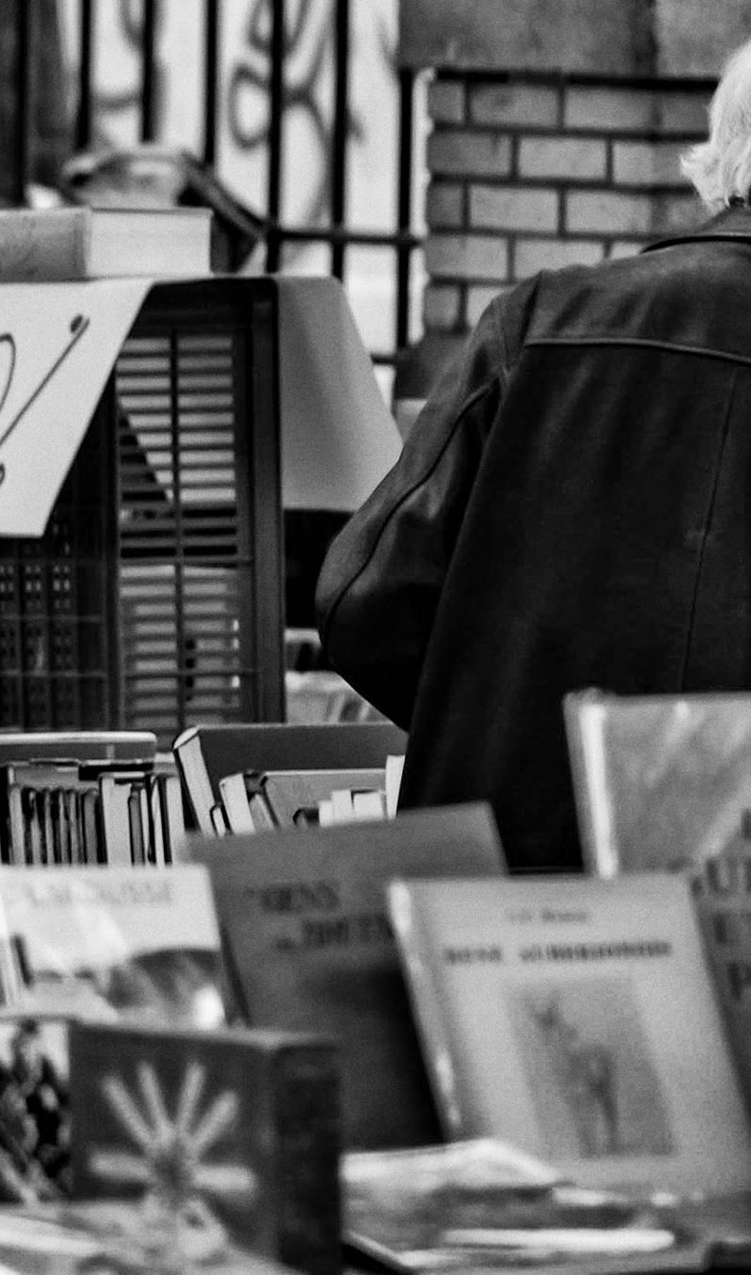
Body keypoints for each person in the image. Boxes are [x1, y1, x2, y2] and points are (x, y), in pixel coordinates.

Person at [315, 38, 751, 873]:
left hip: (503, 889)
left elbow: (361, 599)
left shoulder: (542, 321)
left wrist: (501, 726)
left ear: (722, 156)